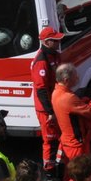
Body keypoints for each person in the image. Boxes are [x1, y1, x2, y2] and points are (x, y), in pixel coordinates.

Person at [52, 63, 91, 164]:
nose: (78, 77)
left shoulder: (55, 93)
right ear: (66, 80)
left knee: (71, 174)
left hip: (66, 141)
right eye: (75, 76)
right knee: (83, 174)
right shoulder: (69, 98)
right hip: (76, 145)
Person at [30, 26, 64, 171]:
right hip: (46, 109)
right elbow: (41, 89)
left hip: (55, 104)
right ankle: (49, 172)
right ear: (47, 42)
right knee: (50, 140)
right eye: (55, 40)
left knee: (59, 137)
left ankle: (58, 166)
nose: (58, 42)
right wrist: (50, 111)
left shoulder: (54, 55)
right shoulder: (41, 61)